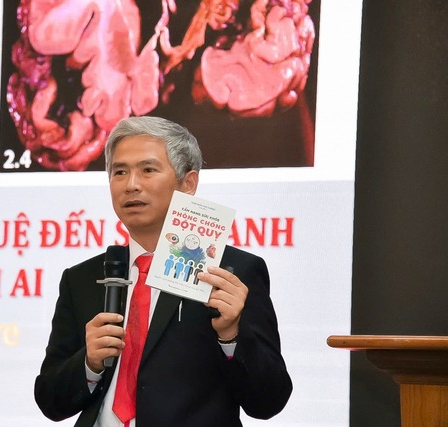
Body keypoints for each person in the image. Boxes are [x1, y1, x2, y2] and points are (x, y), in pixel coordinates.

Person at [34, 116, 292, 426]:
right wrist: (89, 363)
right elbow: (50, 401)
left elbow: (269, 401)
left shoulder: (231, 274)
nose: (131, 184)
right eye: (119, 172)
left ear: (188, 183)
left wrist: (231, 336)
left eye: (148, 170)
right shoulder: (82, 278)